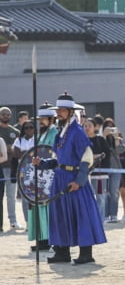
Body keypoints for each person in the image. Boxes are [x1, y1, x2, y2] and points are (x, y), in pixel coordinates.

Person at [38, 92, 107, 265]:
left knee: (81, 215)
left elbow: (87, 158)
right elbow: (59, 159)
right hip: (60, 177)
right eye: (58, 110)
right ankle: (62, 251)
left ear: (70, 112)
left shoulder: (77, 132)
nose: (59, 113)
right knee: (59, 215)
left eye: (63, 110)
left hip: (74, 179)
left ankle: (85, 253)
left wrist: (79, 181)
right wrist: (42, 163)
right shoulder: (61, 132)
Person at [24, 105, 57, 251]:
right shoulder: (39, 135)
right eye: (40, 119)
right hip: (37, 175)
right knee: (37, 207)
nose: (41, 122)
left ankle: (50, 239)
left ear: (51, 119)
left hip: (49, 175)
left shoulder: (55, 133)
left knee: (48, 207)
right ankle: (41, 239)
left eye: (43, 119)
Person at [0, 106, 19, 231]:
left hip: (13, 168)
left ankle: (13, 221)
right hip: (0, 168)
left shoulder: (15, 132)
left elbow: (18, 149)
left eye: (8, 114)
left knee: (11, 196)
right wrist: (8, 147)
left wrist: (7, 148)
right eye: (3, 114)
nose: (6, 116)